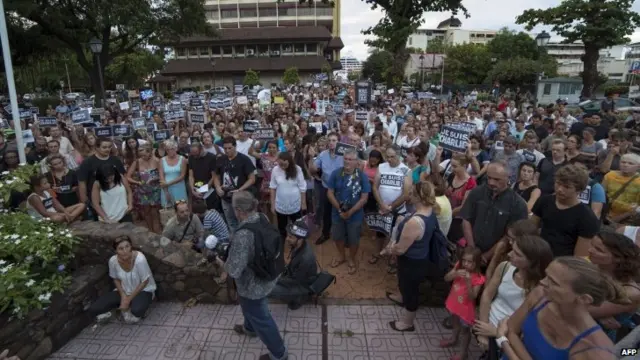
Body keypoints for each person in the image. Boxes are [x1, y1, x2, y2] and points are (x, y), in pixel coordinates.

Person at [499, 257, 622, 360]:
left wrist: (503, 341)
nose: (542, 282)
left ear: (584, 299)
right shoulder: (540, 295)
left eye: (553, 282)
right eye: (546, 275)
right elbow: (511, 330)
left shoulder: (596, 350)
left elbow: (505, 334)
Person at [215, 191, 287, 360]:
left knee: (262, 318)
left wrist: (219, 260)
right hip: (269, 274)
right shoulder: (262, 217)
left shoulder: (243, 235)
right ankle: (250, 328)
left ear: (239, 210)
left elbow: (233, 270)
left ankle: (279, 354)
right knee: (248, 307)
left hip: (253, 286)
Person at [474, 235, 553, 360]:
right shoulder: (505, 267)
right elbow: (487, 295)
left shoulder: (541, 290)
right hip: (487, 326)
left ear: (533, 262)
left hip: (509, 339)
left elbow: (530, 327)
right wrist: (482, 329)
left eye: (517, 254)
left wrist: (496, 333)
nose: (510, 254)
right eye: (512, 249)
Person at [383, 181, 440, 332]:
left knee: (411, 291)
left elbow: (400, 249)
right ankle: (402, 297)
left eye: (411, 193)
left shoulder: (415, 222)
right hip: (421, 258)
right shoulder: (430, 211)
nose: (408, 195)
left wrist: (388, 249)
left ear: (418, 197)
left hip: (411, 262)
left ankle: (407, 323)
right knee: (407, 286)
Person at [531, 164, 600, 257]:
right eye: (558, 183)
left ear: (579, 190)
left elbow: (580, 257)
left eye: (567, 187)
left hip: (562, 263)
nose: (559, 189)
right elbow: (530, 229)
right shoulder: (545, 201)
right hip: (537, 255)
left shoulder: (587, 217)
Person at [88, 236, 156, 324]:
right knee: (95, 308)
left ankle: (131, 306)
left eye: (127, 246)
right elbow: (115, 279)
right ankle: (122, 307)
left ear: (131, 246)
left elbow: (145, 281)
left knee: (137, 310)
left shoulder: (140, 259)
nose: (125, 251)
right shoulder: (113, 261)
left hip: (143, 290)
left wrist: (128, 300)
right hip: (124, 290)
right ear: (116, 250)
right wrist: (123, 296)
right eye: (121, 248)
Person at [588, 230, 640, 341]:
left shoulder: (630, 292)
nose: (590, 250)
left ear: (618, 258)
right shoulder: (589, 267)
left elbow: (582, 310)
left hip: (609, 345)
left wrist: (597, 314)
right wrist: (602, 315)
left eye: (598, 250)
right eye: (591, 245)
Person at [327, 148, 371, 275]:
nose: (347, 162)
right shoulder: (335, 173)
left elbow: (364, 198)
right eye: (345, 159)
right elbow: (329, 193)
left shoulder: (362, 177)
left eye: (350, 159)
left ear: (356, 162)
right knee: (338, 236)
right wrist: (339, 209)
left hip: (355, 215)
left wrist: (350, 212)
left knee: (353, 239)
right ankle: (341, 256)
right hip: (337, 212)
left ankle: (352, 259)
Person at [439, 247, 486, 360]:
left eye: (470, 262)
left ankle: (463, 353)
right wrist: (454, 274)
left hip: (466, 310)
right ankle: (453, 339)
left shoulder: (479, 278)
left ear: (477, 263)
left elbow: (472, 297)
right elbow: (446, 278)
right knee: (455, 322)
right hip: (454, 304)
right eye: (464, 260)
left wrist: (469, 282)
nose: (465, 264)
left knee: (465, 331)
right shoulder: (459, 266)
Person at [269, 218, 318, 310]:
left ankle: (300, 297)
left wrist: (277, 280)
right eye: (287, 236)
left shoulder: (305, 259)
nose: (287, 239)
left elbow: (296, 281)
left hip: (302, 284)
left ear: (299, 240)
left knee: (270, 289)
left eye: (291, 237)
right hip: (296, 276)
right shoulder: (300, 245)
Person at [213, 136, 256, 232]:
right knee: (231, 223)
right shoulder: (221, 159)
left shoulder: (244, 159)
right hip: (225, 198)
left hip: (240, 198)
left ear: (235, 146)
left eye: (229, 148)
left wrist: (240, 190)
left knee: (244, 222)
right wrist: (217, 187)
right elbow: (216, 176)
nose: (227, 151)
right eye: (225, 148)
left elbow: (252, 179)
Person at [269, 151, 307, 240]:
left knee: (297, 228)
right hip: (280, 205)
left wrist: (303, 203)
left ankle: (297, 243)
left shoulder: (297, 169)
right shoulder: (275, 170)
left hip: (295, 204)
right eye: (280, 164)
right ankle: (282, 243)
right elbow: (272, 187)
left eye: (284, 164)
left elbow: (302, 187)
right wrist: (272, 204)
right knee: (282, 228)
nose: (282, 167)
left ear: (289, 161)